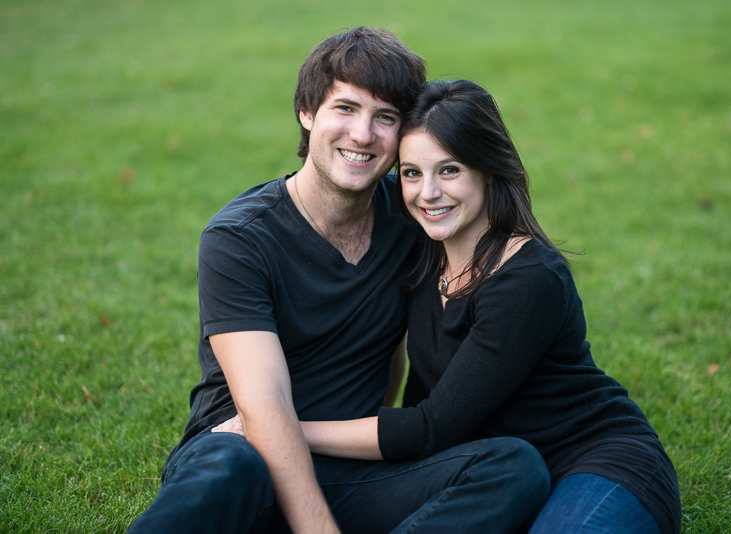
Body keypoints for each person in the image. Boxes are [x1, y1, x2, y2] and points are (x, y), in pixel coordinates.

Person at [128, 30, 549, 534]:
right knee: (229, 466)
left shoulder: (414, 213)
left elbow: (403, 335)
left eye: (385, 117)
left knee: (512, 466)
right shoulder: (239, 238)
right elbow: (264, 406)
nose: (363, 134)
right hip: (242, 450)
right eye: (345, 108)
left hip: (345, 470)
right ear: (307, 113)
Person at [224, 79, 681, 534]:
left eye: (449, 170)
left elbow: (430, 426)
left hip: (595, 464)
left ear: (487, 169)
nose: (427, 193)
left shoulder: (527, 279)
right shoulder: (423, 258)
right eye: (411, 173)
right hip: (504, 476)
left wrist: (281, 430)